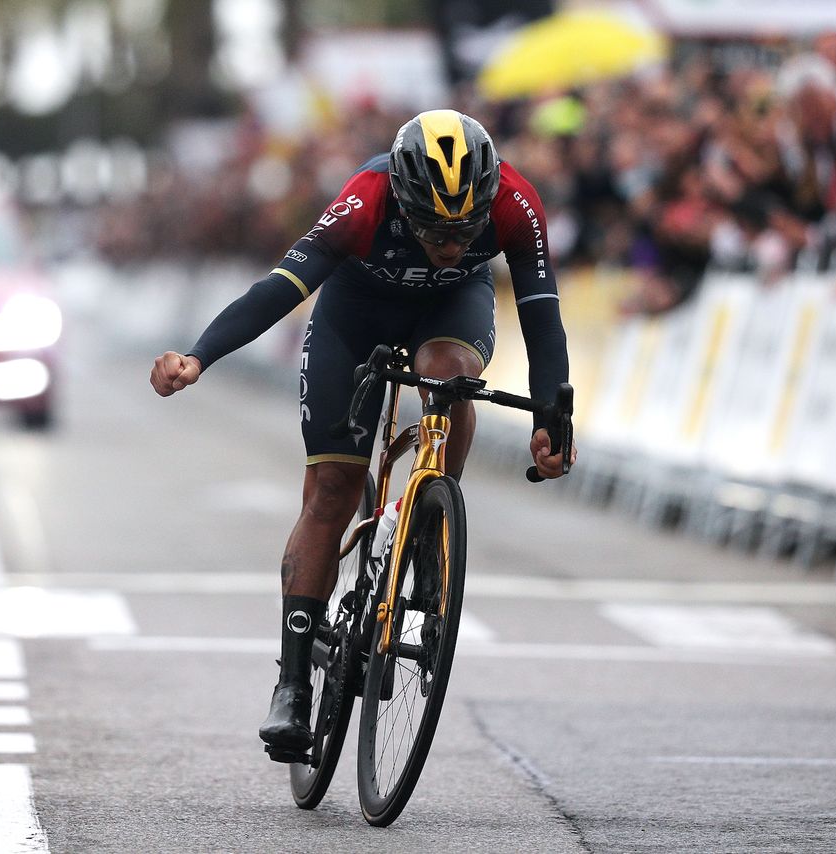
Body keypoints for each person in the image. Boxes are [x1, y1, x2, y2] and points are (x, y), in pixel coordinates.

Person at [150, 109, 576, 760]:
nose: (450, 246)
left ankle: (432, 518)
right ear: (405, 202)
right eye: (434, 229)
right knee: (333, 490)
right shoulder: (363, 202)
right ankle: (292, 685)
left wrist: (553, 417)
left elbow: (542, 317)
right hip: (353, 317)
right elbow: (279, 289)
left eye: (464, 230)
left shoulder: (517, 201)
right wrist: (200, 356)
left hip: (449, 312)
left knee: (450, 377)